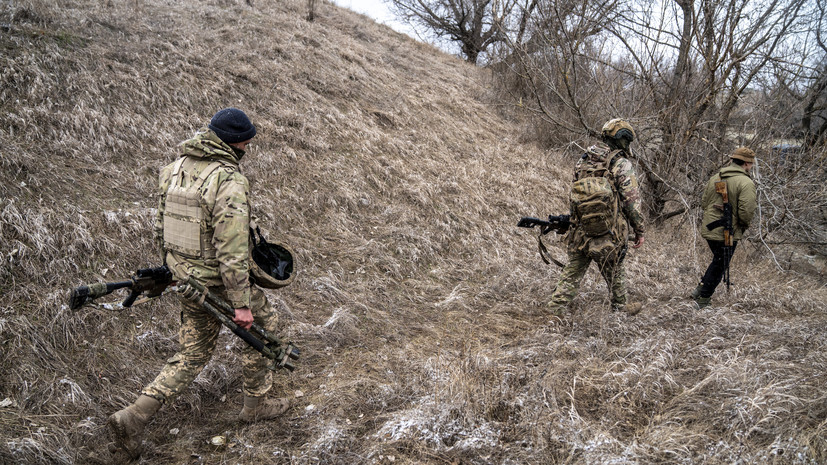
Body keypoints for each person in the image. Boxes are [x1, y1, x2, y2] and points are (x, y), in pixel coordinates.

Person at [108, 108, 290, 461]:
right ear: (233, 143)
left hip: (186, 281)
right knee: (266, 331)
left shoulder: (173, 169)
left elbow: (162, 229)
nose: (248, 148)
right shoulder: (228, 180)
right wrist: (241, 303)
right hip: (219, 283)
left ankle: (134, 415)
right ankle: (256, 405)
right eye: (246, 143)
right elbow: (233, 248)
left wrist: (173, 272)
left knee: (192, 352)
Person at [547, 119, 646, 319]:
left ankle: (555, 308)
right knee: (614, 268)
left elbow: (575, 194)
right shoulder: (621, 163)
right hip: (608, 231)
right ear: (623, 140)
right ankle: (620, 307)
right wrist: (639, 230)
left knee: (573, 271)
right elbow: (631, 201)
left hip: (581, 228)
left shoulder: (584, 159)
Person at [691, 147, 757, 308]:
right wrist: (743, 226)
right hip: (727, 232)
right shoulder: (746, 182)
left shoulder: (716, 177)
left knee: (718, 261)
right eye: (751, 164)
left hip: (710, 229)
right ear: (747, 163)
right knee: (720, 265)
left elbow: (704, 202)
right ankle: (703, 299)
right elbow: (746, 212)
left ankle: (700, 289)